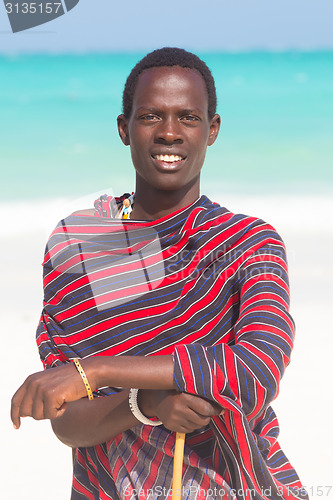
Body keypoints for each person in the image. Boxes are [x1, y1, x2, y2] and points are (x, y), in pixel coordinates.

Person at [11, 48, 307, 500]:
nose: (169, 133)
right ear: (123, 129)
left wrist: (96, 369)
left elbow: (255, 372)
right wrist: (144, 404)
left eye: (188, 118)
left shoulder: (246, 243)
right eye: (150, 116)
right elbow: (68, 420)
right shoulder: (82, 243)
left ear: (212, 130)